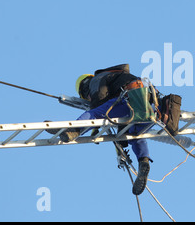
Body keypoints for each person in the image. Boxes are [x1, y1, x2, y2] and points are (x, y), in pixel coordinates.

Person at [48, 64, 153, 195]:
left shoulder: (95, 81)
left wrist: (94, 125)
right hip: (150, 104)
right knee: (135, 134)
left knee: (95, 114)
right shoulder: (113, 76)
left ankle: (73, 131)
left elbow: (99, 107)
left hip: (130, 99)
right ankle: (144, 161)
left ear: (84, 87)